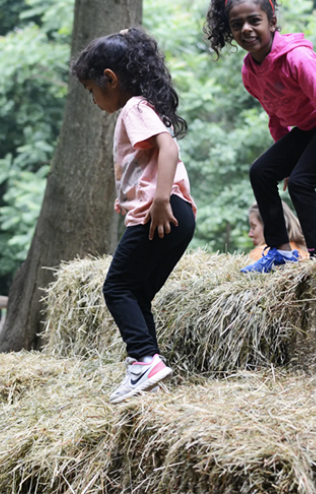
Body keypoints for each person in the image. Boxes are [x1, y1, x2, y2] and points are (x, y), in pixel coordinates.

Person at [71, 27, 196, 404]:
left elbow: (168, 149)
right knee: (138, 293)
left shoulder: (133, 108)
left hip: (160, 211)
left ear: (110, 79)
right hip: (180, 215)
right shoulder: (144, 107)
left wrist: (158, 200)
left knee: (117, 288)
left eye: (92, 90)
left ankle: (142, 360)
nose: (93, 99)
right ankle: (149, 367)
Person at [205, 0, 316, 272]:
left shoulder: (297, 58)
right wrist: (285, 163)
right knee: (261, 172)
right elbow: (276, 117)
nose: (246, 29)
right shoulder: (250, 72)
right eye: (237, 25)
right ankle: (280, 251)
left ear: (272, 22)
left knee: (302, 183)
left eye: (255, 21)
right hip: (307, 127)